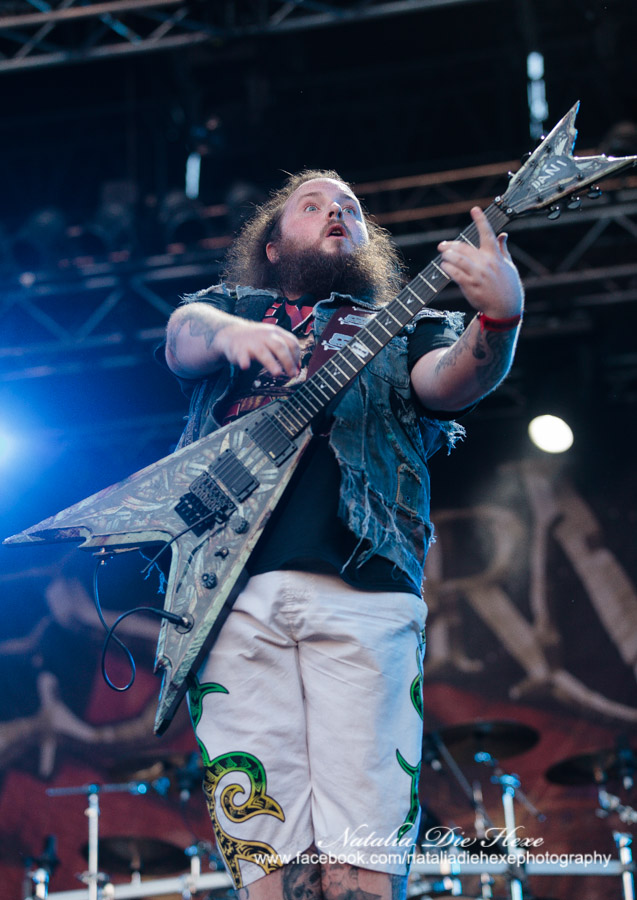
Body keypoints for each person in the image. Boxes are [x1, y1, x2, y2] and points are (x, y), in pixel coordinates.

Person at [163, 169, 524, 900]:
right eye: (314, 203)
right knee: (264, 855)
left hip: (363, 594)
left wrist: (499, 322)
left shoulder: (403, 324)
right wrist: (236, 332)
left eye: (352, 207)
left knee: (363, 849)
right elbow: (181, 339)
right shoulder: (231, 308)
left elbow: (447, 381)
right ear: (271, 245)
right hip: (227, 601)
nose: (337, 210)